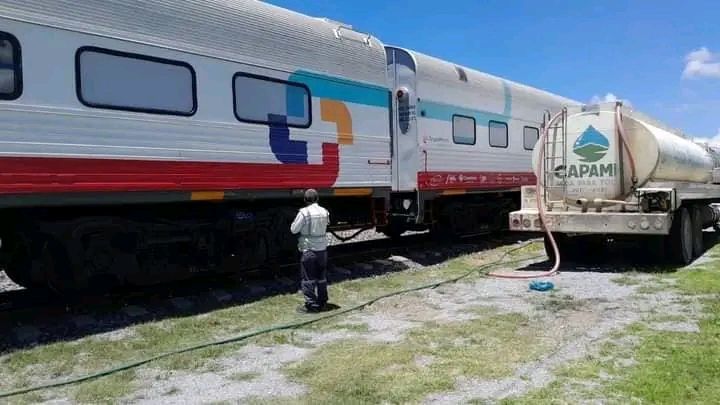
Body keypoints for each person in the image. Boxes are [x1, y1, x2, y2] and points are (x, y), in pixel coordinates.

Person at [290, 188, 330, 313]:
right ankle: (323, 302)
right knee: (321, 277)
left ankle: (312, 305)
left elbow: (294, 230)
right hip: (322, 249)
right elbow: (327, 224)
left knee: (308, 278)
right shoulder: (325, 211)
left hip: (309, 249)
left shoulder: (304, 212)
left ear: (305, 200)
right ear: (317, 199)